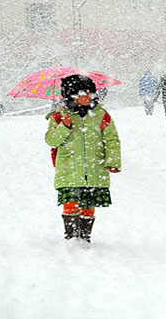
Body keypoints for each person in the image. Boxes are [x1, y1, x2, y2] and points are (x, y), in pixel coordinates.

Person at [45, 75, 121, 244]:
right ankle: (71, 237)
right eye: (82, 93)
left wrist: (113, 161)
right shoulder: (59, 116)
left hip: (95, 169)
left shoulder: (101, 115)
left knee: (88, 203)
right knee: (71, 202)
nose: (88, 96)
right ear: (71, 95)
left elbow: (111, 139)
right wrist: (64, 126)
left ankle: (85, 237)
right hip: (69, 169)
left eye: (90, 93)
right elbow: (51, 140)